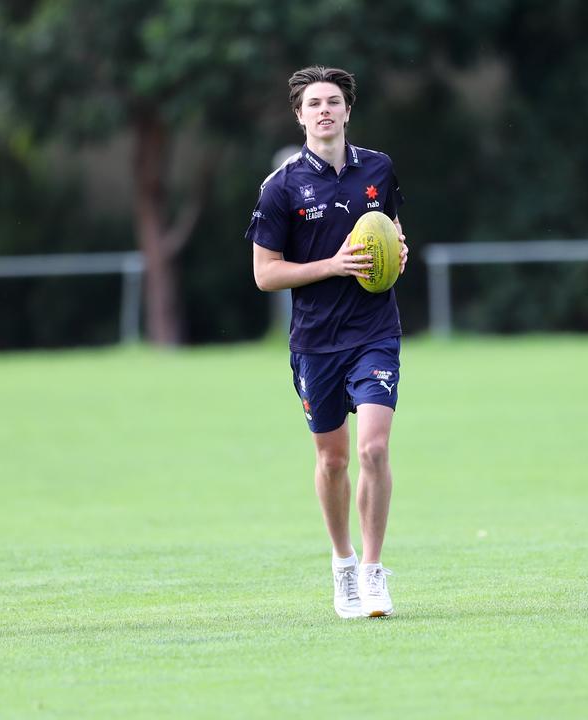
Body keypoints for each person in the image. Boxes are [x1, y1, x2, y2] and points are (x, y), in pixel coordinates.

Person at [247, 66, 409, 618]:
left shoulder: (379, 169)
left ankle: (373, 569)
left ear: (347, 110)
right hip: (315, 341)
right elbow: (265, 275)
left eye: (333, 101)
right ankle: (342, 562)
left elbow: (387, 235)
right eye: (313, 103)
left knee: (374, 448)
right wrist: (334, 265)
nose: (324, 110)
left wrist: (397, 254)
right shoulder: (281, 187)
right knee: (335, 460)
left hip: (374, 332)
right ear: (299, 114)